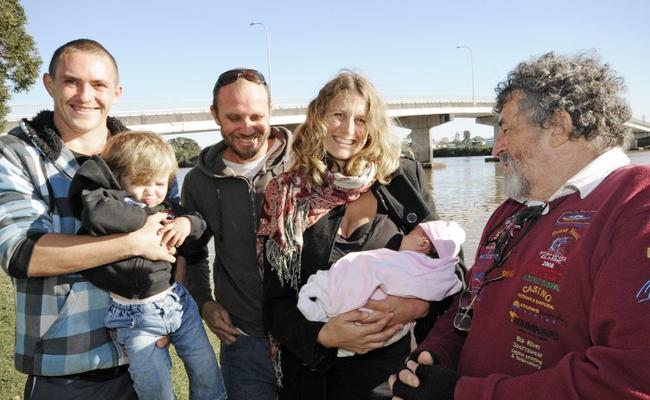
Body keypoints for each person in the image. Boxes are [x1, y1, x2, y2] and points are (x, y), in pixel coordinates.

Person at [389, 52, 650, 399]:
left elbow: (628, 381)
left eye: (507, 129)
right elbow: (468, 304)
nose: (497, 147)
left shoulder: (636, 208)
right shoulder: (511, 213)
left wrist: (460, 394)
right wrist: (438, 352)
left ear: (558, 127)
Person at [0, 39, 175, 399]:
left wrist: (171, 315)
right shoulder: (16, 154)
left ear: (117, 91)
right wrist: (132, 243)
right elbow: (20, 253)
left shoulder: (142, 154)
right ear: (49, 84)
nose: (85, 95)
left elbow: (177, 237)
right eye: (71, 82)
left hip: (143, 357)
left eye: (98, 85)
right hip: (63, 368)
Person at [258, 71, 443, 399]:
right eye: (339, 116)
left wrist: (414, 308)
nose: (348, 130)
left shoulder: (400, 180)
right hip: (311, 377)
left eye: (361, 119)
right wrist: (324, 336)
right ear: (318, 119)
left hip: (388, 379)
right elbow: (275, 301)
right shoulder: (286, 193)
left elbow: (447, 265)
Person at [68, 131, 226, 400]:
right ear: (118, 180)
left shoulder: (168, 209)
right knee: (154, 388)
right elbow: (96, 213)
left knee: (207, 373)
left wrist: (187, 223)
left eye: (159, 183)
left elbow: (200, 230)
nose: (151, 192)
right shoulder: (110, 207)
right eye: (140, 182)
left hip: (179, 304)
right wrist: (147, 219)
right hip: (135, 317)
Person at [181, 68, 292, 400]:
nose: (247, 127)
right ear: (214, 115)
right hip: (243, 342)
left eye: (257, 115)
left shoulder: (306, 164)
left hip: (310, 335)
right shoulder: (198, 182)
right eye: (234, 117)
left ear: (271, 111)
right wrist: (205, 303)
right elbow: (194, 253)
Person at [297, 220, 464, 357]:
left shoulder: (399, 260)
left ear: (423, 243)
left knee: (323, 285)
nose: (403, 237)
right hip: (369, 338)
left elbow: (369, 267)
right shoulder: (440, 274)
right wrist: (325, 336)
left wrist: (419, 307)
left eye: (409, 233)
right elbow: (453, 285)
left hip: (372, 337)